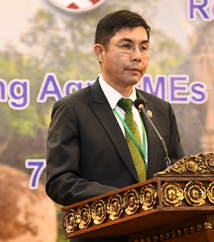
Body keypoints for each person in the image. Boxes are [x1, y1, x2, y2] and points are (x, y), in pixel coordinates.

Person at [45, 10, 185, 242]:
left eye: (143, 47)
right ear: (100, 52)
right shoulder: (73, 109)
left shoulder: (160, 110)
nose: (137, 56)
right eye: (126, 46)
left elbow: (178, 172)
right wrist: (125, 199)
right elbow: (60, 181)